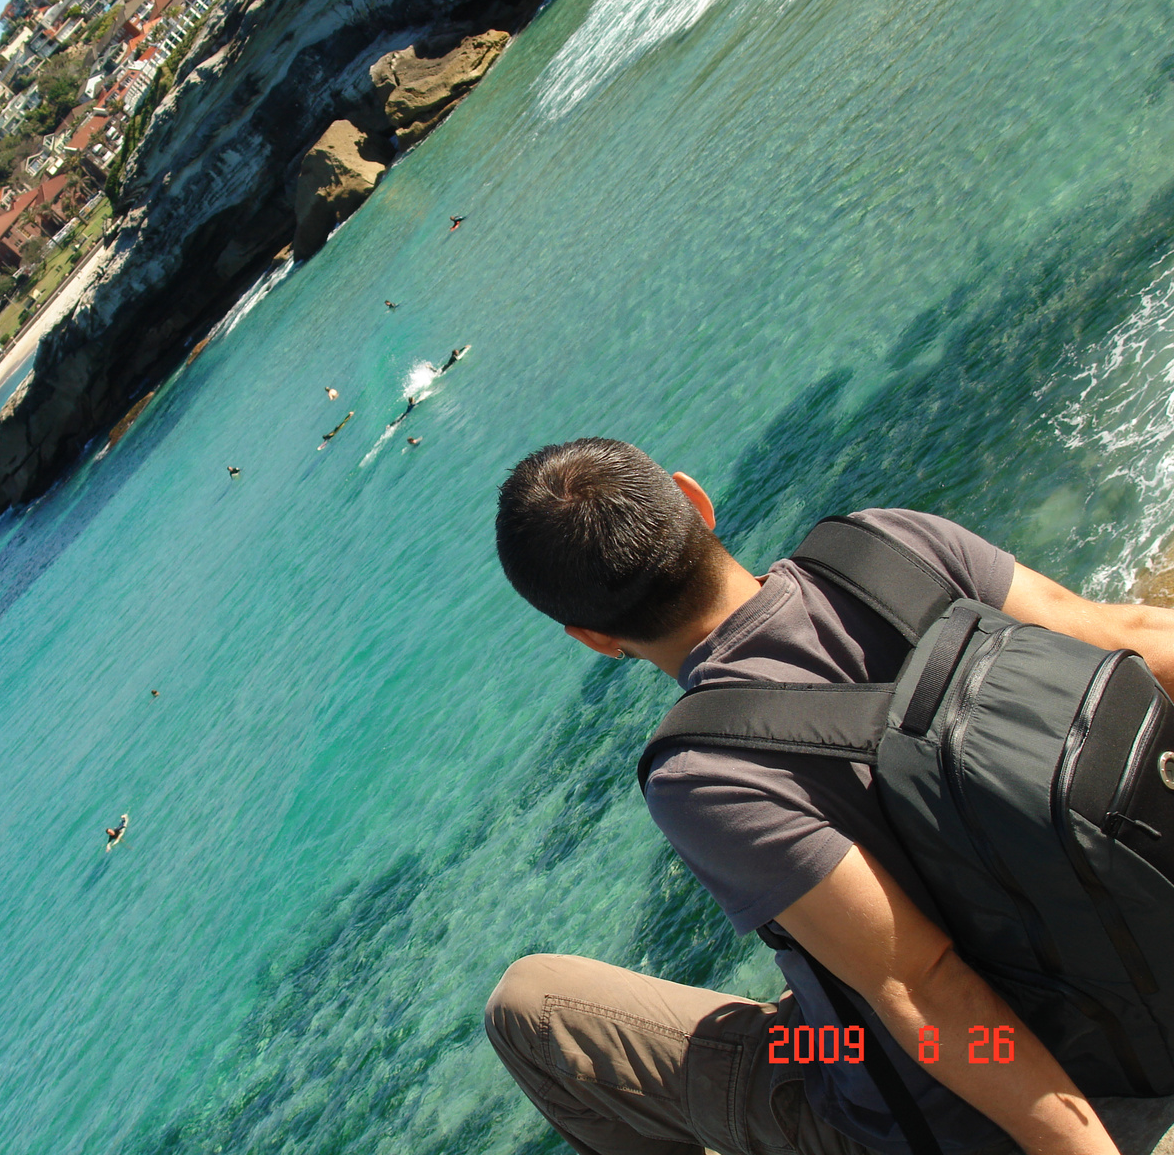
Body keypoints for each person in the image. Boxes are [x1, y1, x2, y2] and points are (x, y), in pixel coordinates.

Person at [487, 437, 1174, 1155]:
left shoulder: (700, 776)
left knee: (530, 1008)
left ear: (593, 638)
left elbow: (925, 989)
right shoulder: (889, 543)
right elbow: (1129, 637)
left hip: (959, 1093)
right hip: (1128, 957)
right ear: (696, 500)